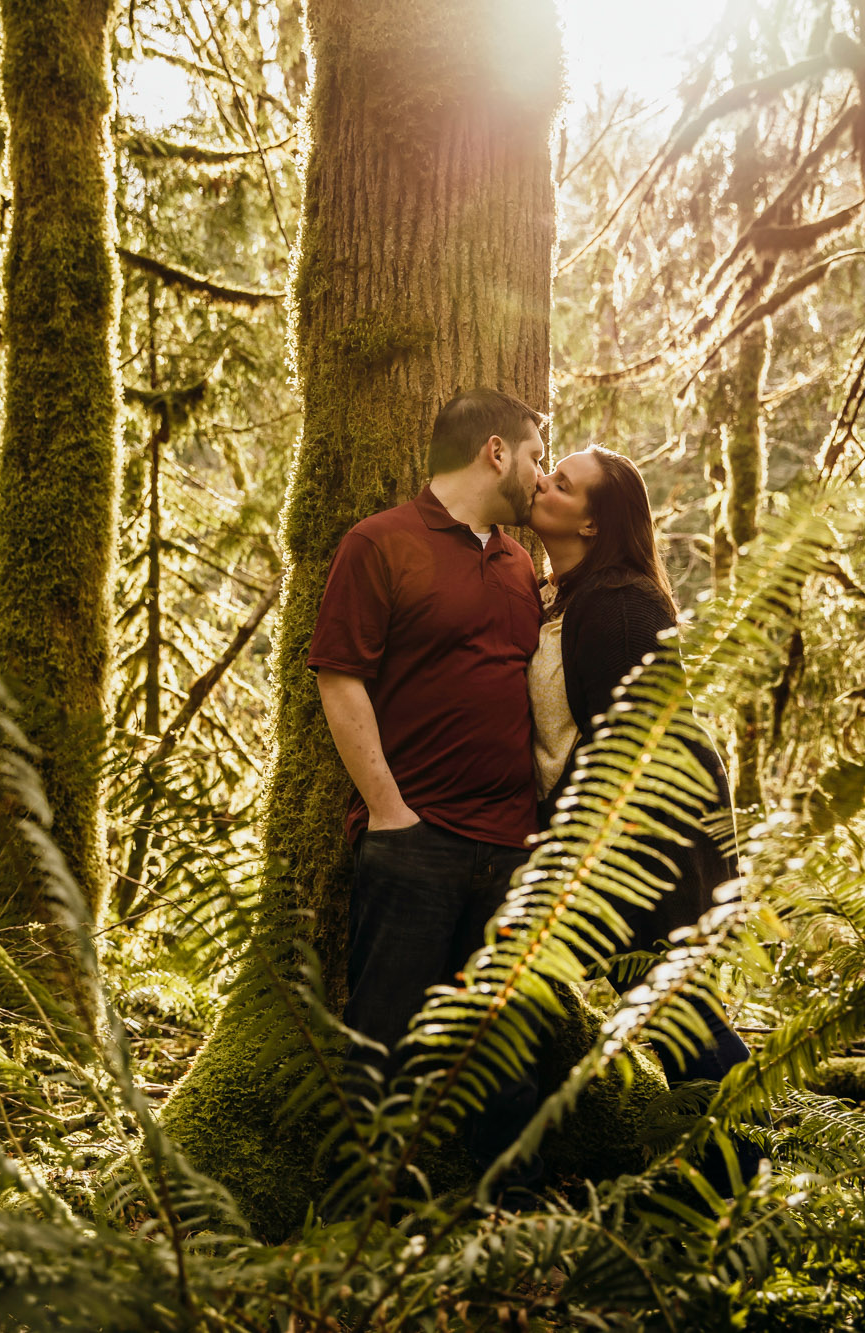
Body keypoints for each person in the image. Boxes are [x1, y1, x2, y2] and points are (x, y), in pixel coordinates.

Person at [307, 386, 546, 1174]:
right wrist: (389, 811)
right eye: (536, 456)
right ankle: (354, 1227)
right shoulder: (379, 544)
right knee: (380, 1045)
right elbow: (340, 680)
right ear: (496, 451)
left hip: (513, 851)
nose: (540, 478)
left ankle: (504, 1232)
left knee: (505, 1059)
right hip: (416, 844)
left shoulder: (520, 566)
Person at [526, 444, 752, 1086]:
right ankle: (741, 1159)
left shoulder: (621, 605)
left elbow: (633, 748)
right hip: (612, 843)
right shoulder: (557, 596)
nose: (542, 482)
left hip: (653, 843)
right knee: (666, 1013)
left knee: (679, 1019)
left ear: (592, 524)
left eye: (562, 484)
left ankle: (755, 1161)